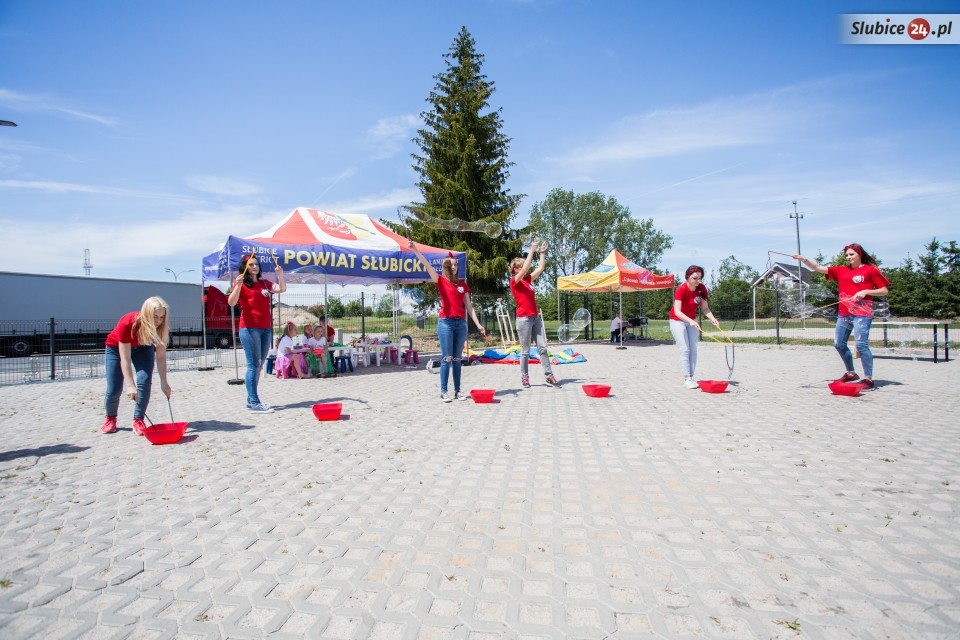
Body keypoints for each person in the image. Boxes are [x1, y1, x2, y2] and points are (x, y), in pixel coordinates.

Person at [793, 244, 890, 389]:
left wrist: (866, 291)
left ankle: (868, 378)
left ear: (859, 254)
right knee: (838, 344)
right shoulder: (841, 270)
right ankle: (851, 373)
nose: (848, 257)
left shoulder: (870, 270)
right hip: (844, 313)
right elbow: (818, 268)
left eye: (851, 254)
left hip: (862, 313)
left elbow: (884, 290)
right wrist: (803, 259)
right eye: (847, 255)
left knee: (861, 345)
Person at [408, 240, 487, 402]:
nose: (454, 267)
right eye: (451, 265)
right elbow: (427, 265)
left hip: (461, 324)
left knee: (457, 359)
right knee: (447, 358)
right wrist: (415, 250)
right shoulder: (440, 281)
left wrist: (478, 324)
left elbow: (469, 307)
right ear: (446, 267)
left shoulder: (462, 285)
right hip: (445, 323)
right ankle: (444, 391)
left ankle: (458, 391)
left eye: (456, 265)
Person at [101, 297, 172, 434]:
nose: (158, 321)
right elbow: (125, 359)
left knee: (144, 381)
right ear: (146, 314)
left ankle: (138, 419)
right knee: (114, 388)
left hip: (143, 347)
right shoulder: (128, 323)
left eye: (162, 317)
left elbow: (161, 357)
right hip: (116, 349)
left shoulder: (162, 328)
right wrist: (130, 385)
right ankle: (110, 418)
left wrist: (164, 382)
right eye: (155, 317)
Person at [227, 253, 286, 412]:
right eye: (251, 264)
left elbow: (282, 289)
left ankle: (251, 399)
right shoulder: (241, 283)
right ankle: (254, 402)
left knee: (259, 365)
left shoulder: (264, 283)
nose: (254, 267)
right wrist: (238, 286)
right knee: (253, 365)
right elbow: (231, 302)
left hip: (265, 328)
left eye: (256, 264)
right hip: (249, 328)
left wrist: (280, 275)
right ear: (245, 267)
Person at [509, 241, 560, 388]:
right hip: (523, 319)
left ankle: (549, 376)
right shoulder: (514, 281)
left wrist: (542, 253)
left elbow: (541, 268)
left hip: (534, 317)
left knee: (542, 347)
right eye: (519, 266)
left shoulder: (527, 280)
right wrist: (532, 250)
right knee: (525, 351)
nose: (522, 268)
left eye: (522, 266)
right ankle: (525, 378)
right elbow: (526, 268)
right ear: (514, 269)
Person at [669, 265, 721, 389]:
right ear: (687, 277)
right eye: (695, 278)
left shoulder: (701, 289)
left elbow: (705, 308)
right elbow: (677, 311)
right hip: (677, 320)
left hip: (691, 321)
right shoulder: (681, 289)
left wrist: (712, 318)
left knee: (693, 349)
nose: (698, 281)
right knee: (684, 349)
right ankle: (687, 378)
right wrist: (690, 321)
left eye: (700, 278)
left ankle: (691, 376)